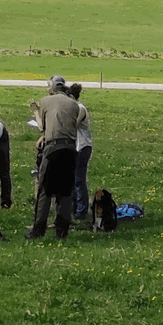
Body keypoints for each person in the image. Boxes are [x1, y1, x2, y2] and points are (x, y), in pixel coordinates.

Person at [26, 76, 86, 240]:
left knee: (45, 190)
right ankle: (62, 231)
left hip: (53, 148)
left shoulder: (46, 101)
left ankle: (38, 229)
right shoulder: (74, 104)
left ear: (52, 88)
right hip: (71, 149)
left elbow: (42, 128)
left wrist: (36, 111)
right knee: (65, 192)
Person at [68, 82, 93, 222]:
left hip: (82, 146)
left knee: (79, 180)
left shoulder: (80, 108)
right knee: (72, 180)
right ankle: (73, 208)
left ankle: (81, 211)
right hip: (74, 146)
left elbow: (74, 124)